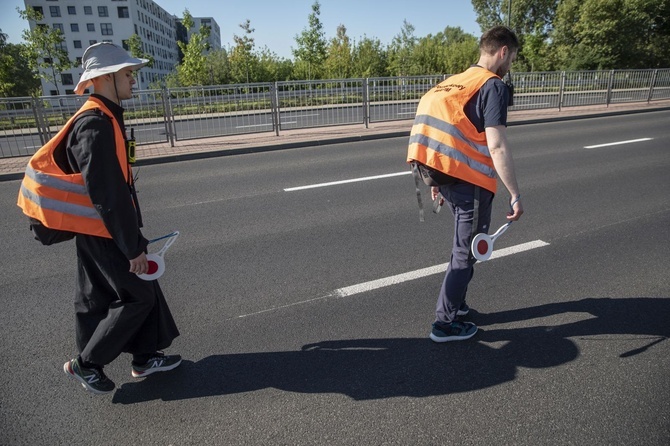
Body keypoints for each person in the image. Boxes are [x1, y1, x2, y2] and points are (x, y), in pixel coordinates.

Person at [17, 42, 181, 394]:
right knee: (139, 295)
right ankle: (87, 364)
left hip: (96, 227)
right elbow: (107, 193)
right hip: (103, 228)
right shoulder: (94, 124)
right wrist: (132, 247)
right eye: (127, 74)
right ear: (106, 77)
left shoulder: (102, 117)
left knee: (99, 295)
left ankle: (145, 357)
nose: (133, 80)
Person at [407, 26, 524, 342]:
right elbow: (496, 145)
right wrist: (514, 194)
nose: (510, 64)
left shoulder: (450, 83)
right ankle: (444, 324)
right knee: (465, 252)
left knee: (464, 248)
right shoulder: (492, 86)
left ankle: (456, 307)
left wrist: (435, 179)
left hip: (440, 173)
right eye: (512, 57)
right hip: (469, 181)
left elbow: (441, 130)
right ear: (502, 52)